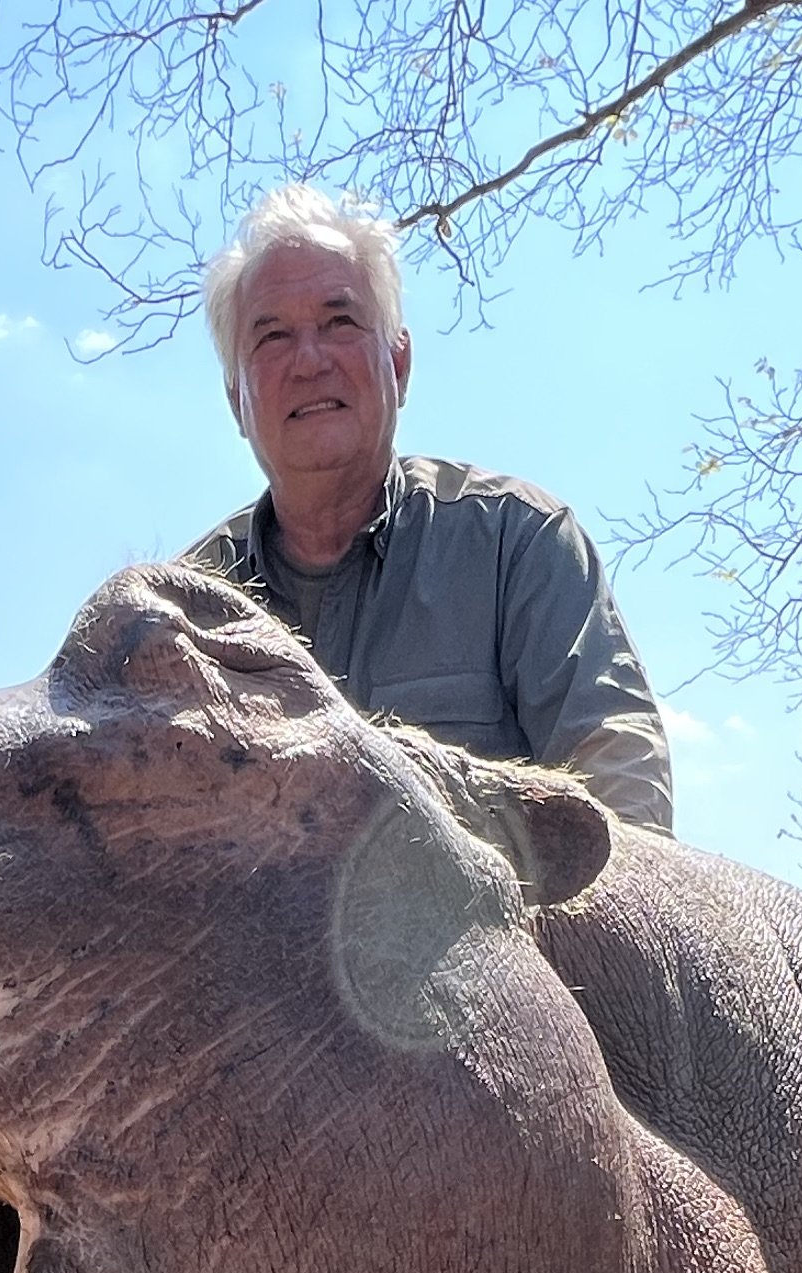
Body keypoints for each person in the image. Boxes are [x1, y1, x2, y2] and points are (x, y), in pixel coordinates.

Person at [185, 185, 678, 836]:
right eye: (272, 337)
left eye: (341, 322)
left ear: (399, 361)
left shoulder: (518, 547)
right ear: (235, 401)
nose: (309, 361)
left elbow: (621, 787)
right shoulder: (186, 613)